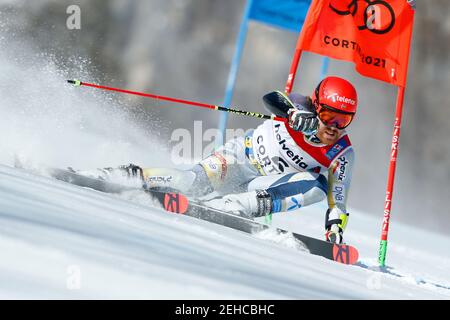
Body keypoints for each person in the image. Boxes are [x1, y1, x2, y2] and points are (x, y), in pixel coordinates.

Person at [116, 76, 357, 244]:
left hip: (262, 187)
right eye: (328, 115)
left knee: (317, 186)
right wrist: (293, 114)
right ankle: (129, 175)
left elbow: (338, 200)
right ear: (315, 106)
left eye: (343, 120)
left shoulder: (342, 152)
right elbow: (272, 98)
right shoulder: (299, 105)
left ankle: (232, 207)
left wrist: (335, 230)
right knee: (190, 182)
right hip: (238, 161)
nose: (334, 127)